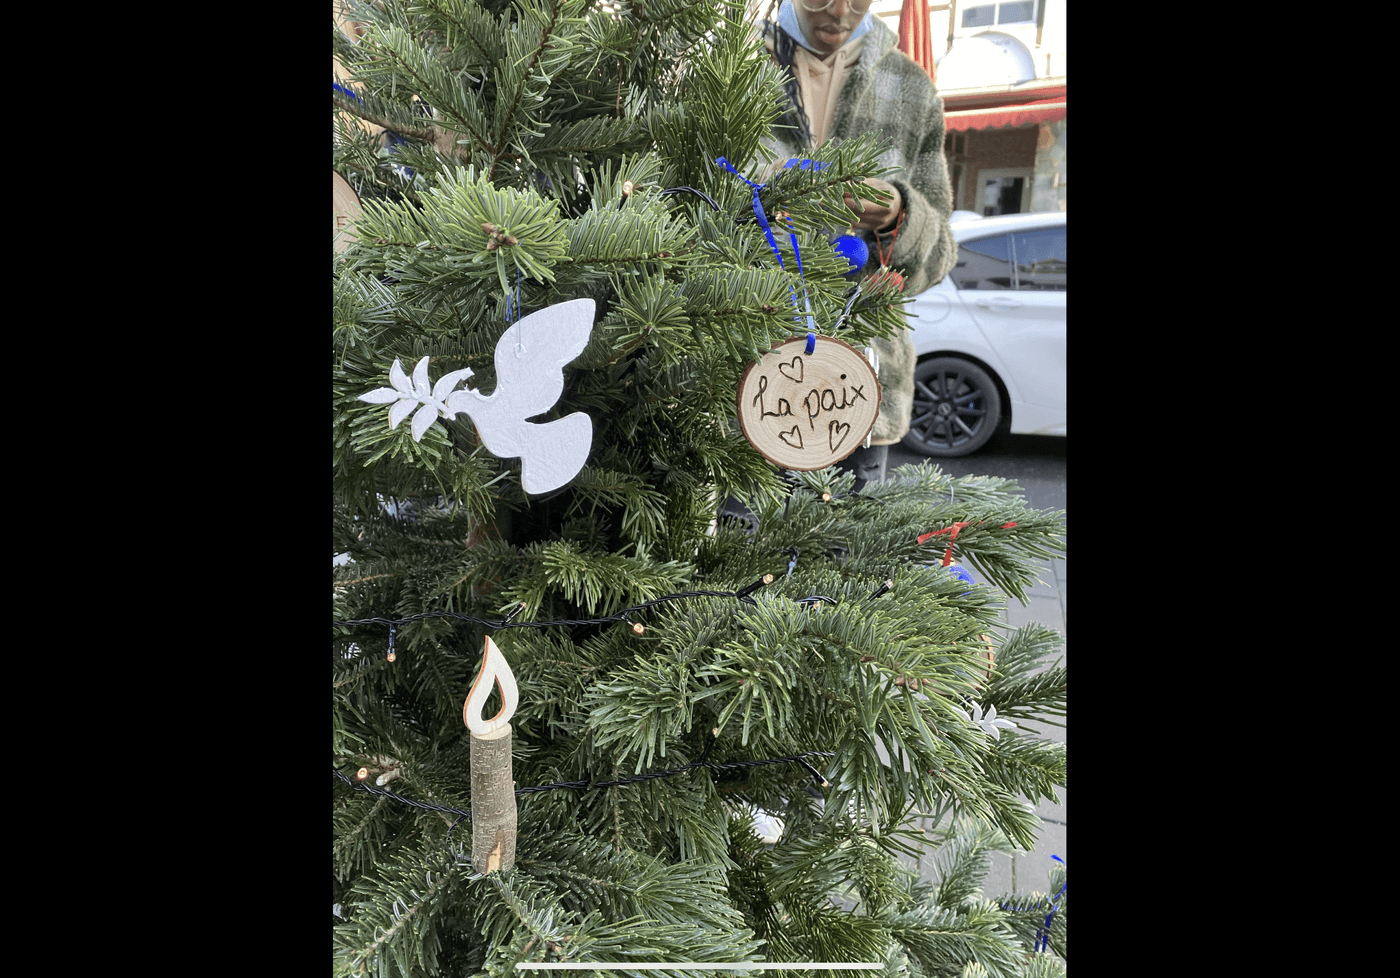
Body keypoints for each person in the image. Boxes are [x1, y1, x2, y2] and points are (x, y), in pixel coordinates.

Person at [759, 0, 957, 491]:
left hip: (862, 383)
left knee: (850, 535)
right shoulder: (740, 67)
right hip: (750, 365)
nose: (839, 13)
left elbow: (940, 255)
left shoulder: (912, 90)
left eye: (857, 0)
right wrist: (763, 195)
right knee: (744, 532)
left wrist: (899, 214)